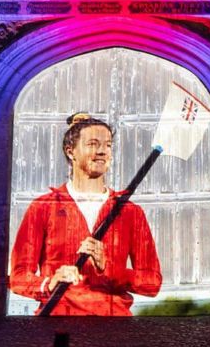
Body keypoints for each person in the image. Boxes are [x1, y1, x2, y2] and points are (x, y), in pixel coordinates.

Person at [8, 114, 162, 316]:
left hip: (114, 325)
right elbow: (17, 277)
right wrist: (50, 282)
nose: (101, 151)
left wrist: (108, 267)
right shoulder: (43, 207)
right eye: (92, 144)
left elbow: (152, 283)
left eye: (107, 145)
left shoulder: (130, 212)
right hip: (59, 320)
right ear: (70, 152)